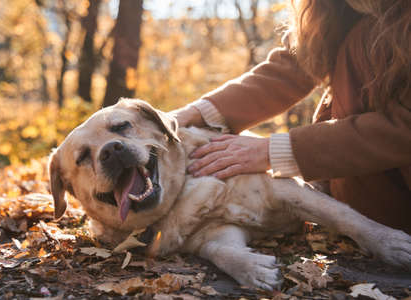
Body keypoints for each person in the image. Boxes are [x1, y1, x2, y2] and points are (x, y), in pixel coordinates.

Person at [171, 0, 411, 234]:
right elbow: (292, 68)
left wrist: (274, 151)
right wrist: (191, 114)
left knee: (361, 42)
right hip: (364, 195)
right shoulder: (333, 10)